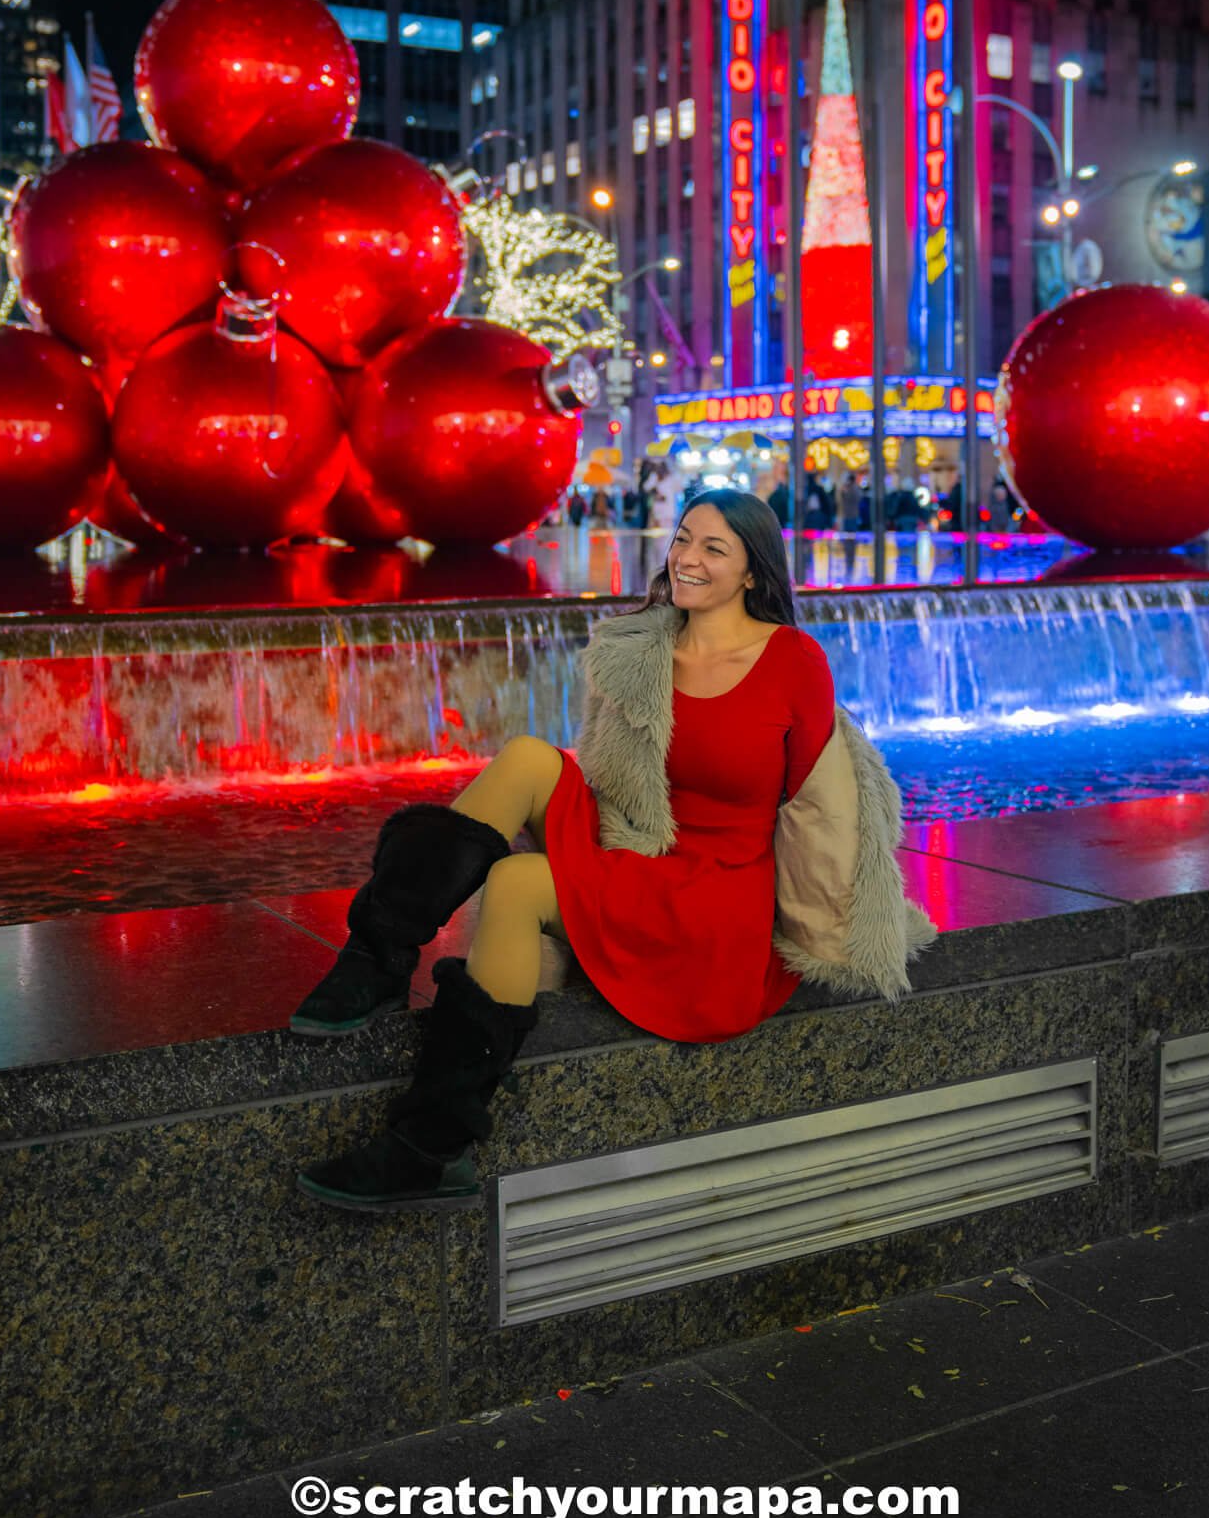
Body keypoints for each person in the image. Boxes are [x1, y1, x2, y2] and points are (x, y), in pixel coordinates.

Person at [290, 489, 936, 1211]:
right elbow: (606, 775)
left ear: (753, 572)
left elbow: (822, 808)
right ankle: (380, 954)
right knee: (531, 756)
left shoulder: (793, 661)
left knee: (519, 885)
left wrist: (833, 931)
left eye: (714, 549)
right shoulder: (640, 647)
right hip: (643, 851)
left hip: (720, 896)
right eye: (684, 538)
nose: (688, 559)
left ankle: (428, 1147)